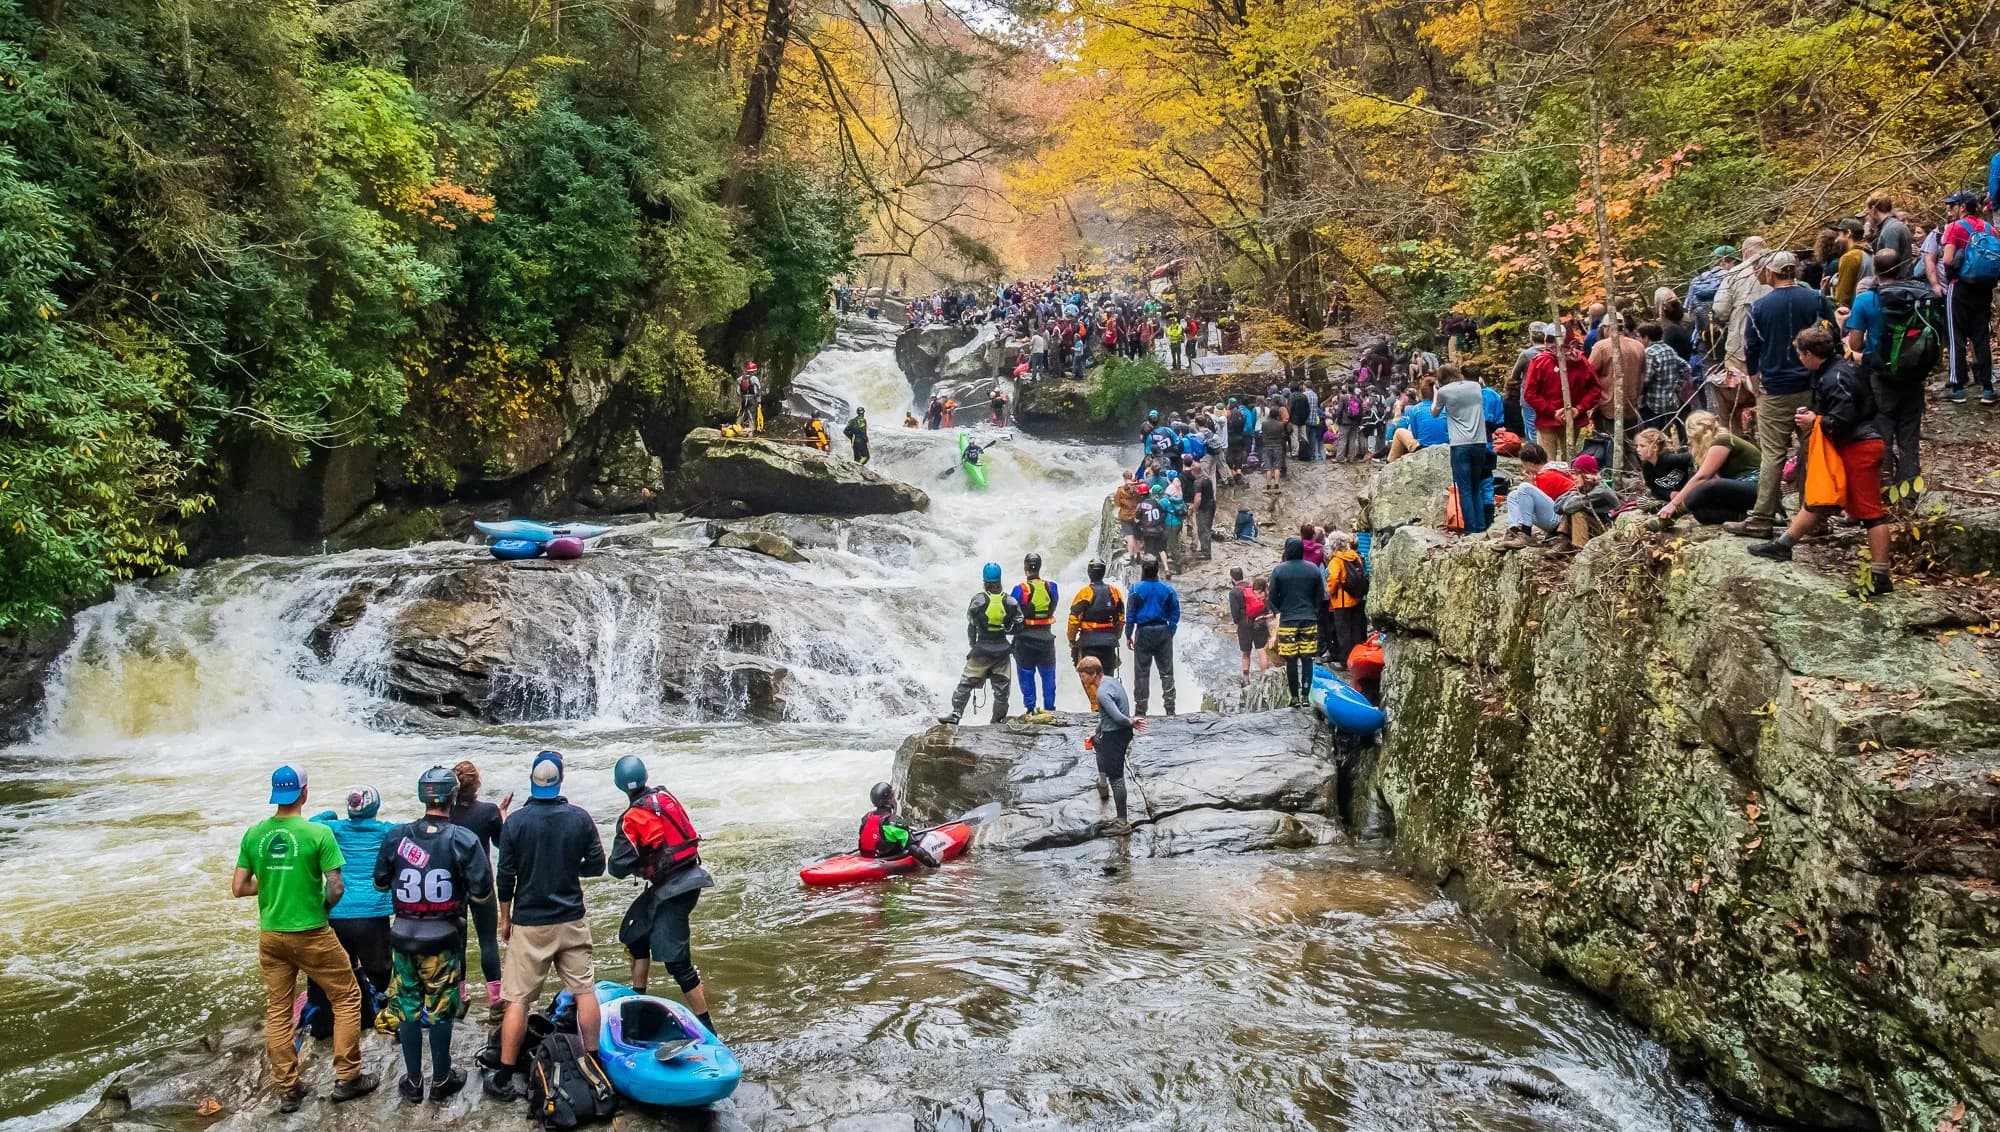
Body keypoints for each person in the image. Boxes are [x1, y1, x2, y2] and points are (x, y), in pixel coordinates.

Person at [233, 766, 379, 1113]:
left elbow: (239, 888)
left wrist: (269, 886)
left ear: (275, 795)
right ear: (304, 794)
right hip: (312, 933)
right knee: (346, 997)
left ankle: (289, 1089)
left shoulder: (254, 834)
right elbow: (337, 886)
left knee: (279, 1011)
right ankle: (348, 1077)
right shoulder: (317, 834)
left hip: (271, 936)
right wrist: (322, 906)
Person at [483, 751, 606, 1102]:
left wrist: (504, 918)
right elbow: (597, 865)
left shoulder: (516, 823)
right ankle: (593, 1065)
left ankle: (505, 1076)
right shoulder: (580, 818)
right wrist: (568, 869)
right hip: (571, 918)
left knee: (518, 1000)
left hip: (530, 922)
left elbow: (504, 876)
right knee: (584, 991)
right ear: (561, 781)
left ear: (532, 783)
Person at [374, 766, 491, 1105]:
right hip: (442, 940)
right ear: (454, 798)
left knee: (408, 1006)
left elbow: (380, 882)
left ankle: (412, 1081)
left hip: (403, 935)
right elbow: (482, 892)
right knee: (441, 1009)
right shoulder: (462, 839)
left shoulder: (398, 836)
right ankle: (441, 1079)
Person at [1748, 326, 1893, 595]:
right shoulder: (1834, 370)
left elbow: (1845, 416)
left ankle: (1881, 574)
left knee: (1871, 512)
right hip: (1851, 444)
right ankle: (1784, 544)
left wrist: (1815, 420)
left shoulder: (1835, 376)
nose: (1799, 360)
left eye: (1800, 355)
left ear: (1810, 354)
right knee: (1821, 498)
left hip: (1860, 447)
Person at [609, 756, 716, 1034]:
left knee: (678, 963)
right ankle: (638, 1000)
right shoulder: (664, 795)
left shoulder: (631, 818)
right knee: (635, 933)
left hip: (674, 890)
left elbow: (617, 867)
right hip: (687, 878)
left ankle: (709, 1028)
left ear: (620, 786)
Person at [1726, 251, 1826, 539]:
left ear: (1771, 273)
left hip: (1774, 389)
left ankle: (1761, 519)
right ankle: (1814, 519)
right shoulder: (1816, 299)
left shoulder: (1760, 307)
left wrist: (1755, 381)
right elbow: (1830, 333)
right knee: (1812, 453)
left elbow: (1752, 348)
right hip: (1811, 386)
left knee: (1772, 455)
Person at [301, 786, 394, 1043]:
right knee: (378, 968)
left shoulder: (334, 828)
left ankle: (337, 1013)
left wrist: (331, 812)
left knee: (341, 967)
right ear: (375, 808)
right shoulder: (386, 831)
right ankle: (368, 1011)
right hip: (373, 914)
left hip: (336, 912)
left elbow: (313, 822)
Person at [1845, 247, 1935, 495]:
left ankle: (1883, 492)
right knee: (1909, 438)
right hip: (1914, 375)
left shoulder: (1866, 300)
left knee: (1882, 436)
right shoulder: (1919, 295)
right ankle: (1909, 496)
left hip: (1881, 376)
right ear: (1901, 269)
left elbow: (1854, 344)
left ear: (1875, 271)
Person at [449, 761, 510, 1018]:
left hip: (453, 884)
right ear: (477, 785)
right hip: (482, 882)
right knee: (487, 941)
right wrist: (502, 815)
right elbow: (502, 843)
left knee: (458, 943)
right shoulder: (488, 812)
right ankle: (495, 998)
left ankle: (461, 995)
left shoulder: (447, 813)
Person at [940, 563, 1021, 726]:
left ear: (985, 581)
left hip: (981, 650)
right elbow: (1018, 624)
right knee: (1002, 689)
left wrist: (973, 646)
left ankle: (956, 713)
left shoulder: (978, 600)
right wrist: (1008, 633)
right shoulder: (1010, 601)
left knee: (966, 683)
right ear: (1000, 580)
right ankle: (997, 720)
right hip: (1002, 650)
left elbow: (972, 625)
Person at [1653, 410, 1762, 526]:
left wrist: (1674, 504)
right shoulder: (1708, 447)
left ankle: (1674, 514)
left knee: (1711, 485)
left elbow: (1703, 477)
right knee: (1701, 512)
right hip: (1740, 489)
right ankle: (1748, 517)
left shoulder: (1723, 440)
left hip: (1757, 486)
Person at [1941, 189, 1997, 405]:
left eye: (1952, 206)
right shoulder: (1989, 228)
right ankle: (1987, 387)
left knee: (1956, 336)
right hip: (1984, 288)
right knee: (1981, 336)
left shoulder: (1955, 227)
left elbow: (1947, 259)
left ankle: (1957, 385)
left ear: (1962, 207)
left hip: (1960, 286)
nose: (1950, 210)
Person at [1076, 656, 1142, 836]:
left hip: (1116, 735)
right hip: (1114, 732)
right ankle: (1102, 784)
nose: (1082, 679)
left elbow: (1117, 716)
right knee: (1097, 742)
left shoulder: (1102, 693)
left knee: (1117, 778)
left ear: (1094, 674)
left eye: (1083, 676)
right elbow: (1105, 716)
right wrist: (1096, 732)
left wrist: (1131, 721)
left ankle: (1122, 822)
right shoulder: (1110, 681)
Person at [1522, 330, 1601, 460]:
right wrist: (1552, 412)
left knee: (1569, 458)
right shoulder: (1540, 362)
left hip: (1573, 418)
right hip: (1547, 420)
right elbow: (1530, 394)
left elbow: (1595, 388)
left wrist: (1579, 408)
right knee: (1547, 459)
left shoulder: (1580, 362)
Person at [1431, 365, 1492, 533]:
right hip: (1480, 443)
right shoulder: (1475, 386)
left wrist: (1437, 392)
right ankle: (1480, 525)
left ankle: (1471, 528)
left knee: (1464, 489)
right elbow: (1481, 382)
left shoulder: (1444, 392)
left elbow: (1434, 412)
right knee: (1475, 486)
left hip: (1459, 445)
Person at [1267, 537, 1326, 707]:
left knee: (1291, 660)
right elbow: (1320, 595)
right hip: (1309, 619)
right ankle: (1306, 696)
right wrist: (1313, 611)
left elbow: (1272, 598)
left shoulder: (1279, 571)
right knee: (1307, 659)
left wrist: (1281, 611)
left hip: (1288, 621)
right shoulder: (1313, 569)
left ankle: (1294, 697)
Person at [1124, 554, 1179, 717]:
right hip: (1163, 630)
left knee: (1141, 672)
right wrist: (1172, 629)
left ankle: (1140, 711)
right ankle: (1170, 708)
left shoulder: (1135, 589)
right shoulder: (1168, 589)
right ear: (1157, 570)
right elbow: (1175, 611)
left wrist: (1128, 634)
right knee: (1167, 671)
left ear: (1143, 570)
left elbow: (1130, 614)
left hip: (1143, 631)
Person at [1011, 553, 1061, 722]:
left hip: (1025, 640)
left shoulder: (1020, 590)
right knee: (1048, 675)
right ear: (1039, 567)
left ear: (1025, 569)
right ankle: (1050, 709)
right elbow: (1053, 605)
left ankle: (1031, 709)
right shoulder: (1052, 587)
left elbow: (1011, 611)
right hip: (1047, 638)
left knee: (1026, 674)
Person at [1497, 442, 1575, 548]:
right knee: (1513, 495)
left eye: (1524, 464)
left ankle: (1525, 533)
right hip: (1556, 514)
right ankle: (1514, 530)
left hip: (1560, 521)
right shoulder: (1554, 469)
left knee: (1524, 488)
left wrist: (1531, 485)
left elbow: (1537, 504)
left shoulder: (1546, 476)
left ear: (1530, 464)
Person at [1068, 558, 1125, 680]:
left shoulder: (1084, 593)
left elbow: (1074, 619)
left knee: (1091, 683)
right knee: (1108, 680)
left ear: (1089, 573)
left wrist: (1072, 640)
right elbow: (1121, 618)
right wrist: (1116, 635)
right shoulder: (1114, 592)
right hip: (1109, 644)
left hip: (1088, 645)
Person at [1637, 321, 1691, 437]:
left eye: (1640, 337)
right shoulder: (1669, 349)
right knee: (1665, 434)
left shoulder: (1649, 353)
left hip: (1653, 403)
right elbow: (1686, 368)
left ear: (1646, 337)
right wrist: (1677, 387)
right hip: (1670, 401)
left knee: (1651, 436)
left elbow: (1646, 380)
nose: (1639, 341)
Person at [1323, 532, 1368, 667]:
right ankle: (1357, 659)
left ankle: (1345, 661)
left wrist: (1328, 592)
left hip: (1341, 601)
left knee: (1343, 632)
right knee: (1356, 631)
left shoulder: (1336, 560)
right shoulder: (1355, 556)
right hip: (1356, 599)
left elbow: (1332, 579)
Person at [1554, 454, 1617, 549]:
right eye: (1573, 473)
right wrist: (1573, 494)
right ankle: (1563, 541)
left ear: (1587, 475)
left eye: (1577, 474)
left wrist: (1574, 496)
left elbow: (1568, 507)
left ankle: (1579, 548)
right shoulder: (1584, 487)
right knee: (1574, 508)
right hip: (1593, 527)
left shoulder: (1600, 491)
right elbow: (1556, 507)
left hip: (1608, 531)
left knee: (1577, 512)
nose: (1574, 477)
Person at [1227, 566, 1270, 676]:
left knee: (1246, 653)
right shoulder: (1251, 586)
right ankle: (1264, 677)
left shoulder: (1234, 592)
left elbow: (1235, 612)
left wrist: (1237, 623)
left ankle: (1246, 679)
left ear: (1232, 578)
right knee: (1261, 651)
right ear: (1242, 575)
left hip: (1244, 624)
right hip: (1259, 621)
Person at [857, 782, 911, 859]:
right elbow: (909, 843)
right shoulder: (893, 822)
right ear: (889, 800)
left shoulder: (866, 818)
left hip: (867, 856)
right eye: (892, 797)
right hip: (887, 860)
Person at [1134, 481, 1169, 576]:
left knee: (1148, 552)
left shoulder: (1141, 506)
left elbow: (1136, 520)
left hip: (1148, 532)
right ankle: (1166, 568)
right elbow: (1163, 512)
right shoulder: (1155, 502)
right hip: (1159, 529)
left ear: (1141, 495)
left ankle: (1149, 572)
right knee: (1161, 549)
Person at [1187, 456, 1216, 559]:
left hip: (1204, 508)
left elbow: (1198, 498)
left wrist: (1194, 509)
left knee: (1203, 530)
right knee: (1206, 528)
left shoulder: (1198, 482)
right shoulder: (1206, 478)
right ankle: (1205, 549)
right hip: (1211, 504)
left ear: (1193, 472)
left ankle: (1206, 553)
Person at [737, 362, 762, 432]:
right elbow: (758, 390)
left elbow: (738, 391)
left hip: (744, 398)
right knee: (751, 415)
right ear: (753, 371)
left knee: (742, 413)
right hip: (752, 398)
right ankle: (751, 431)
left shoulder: (740, 378)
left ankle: (736, 427)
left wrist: (742, 397)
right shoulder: (754, 379)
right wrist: (759, 401)